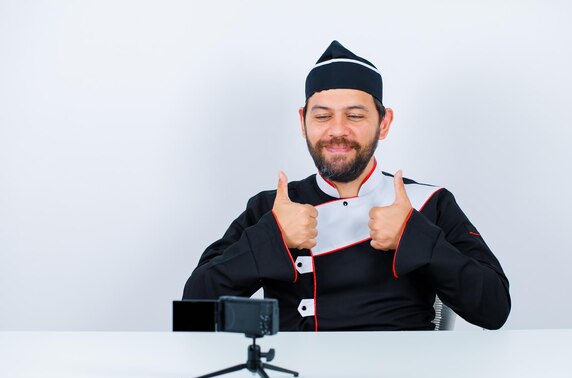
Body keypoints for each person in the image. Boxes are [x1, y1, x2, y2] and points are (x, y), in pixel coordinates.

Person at [183, 40, 511, 331]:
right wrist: (273, 237)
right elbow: (192, 312)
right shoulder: (270, 208)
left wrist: (415, 236)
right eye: (322, 116)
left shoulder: (428, 202)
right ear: (303, 122)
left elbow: (494, 309)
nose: (337, 131)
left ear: (384, 123)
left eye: (354, 116)